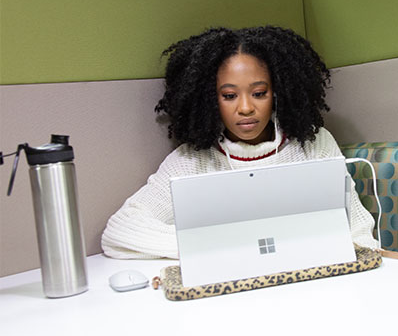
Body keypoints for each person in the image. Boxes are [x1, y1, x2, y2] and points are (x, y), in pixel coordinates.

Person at [101, 26, 377, 259]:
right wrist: (225, 249)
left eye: (259, 93)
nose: (245, 108)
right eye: (229, 96)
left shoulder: (315, 145)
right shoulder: (190, 162)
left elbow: (358, 228)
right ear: (210, 100)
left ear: (277, 92)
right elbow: (120, 230)